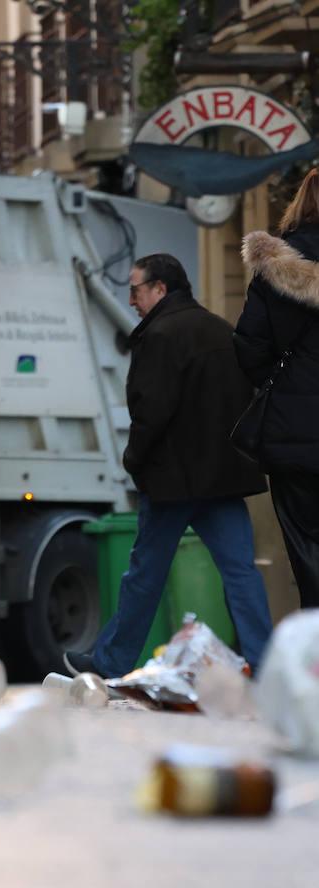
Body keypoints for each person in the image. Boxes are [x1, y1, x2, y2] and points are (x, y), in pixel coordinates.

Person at [64, 254, 272, 678]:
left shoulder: (159, 335)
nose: (132, 299)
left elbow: (150, 412)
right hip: (224, 480)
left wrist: (134, 460)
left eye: (137, 289)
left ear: (160, 289)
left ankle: (109, 663)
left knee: (144, 577)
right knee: (241, 574)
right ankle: (268, 667)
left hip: (173, 483)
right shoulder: (220, 330)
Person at [237, 167, 319, 608]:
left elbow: (250, 343)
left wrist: (279, 384)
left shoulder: (274, 268)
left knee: (307, 551)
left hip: (292, 436)